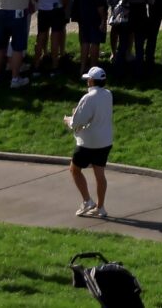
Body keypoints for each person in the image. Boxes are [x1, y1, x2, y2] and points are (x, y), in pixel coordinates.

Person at [66, 64, 114, 218]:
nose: (87, 82)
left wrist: (68, 119)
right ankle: (100, 207)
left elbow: (76, 122)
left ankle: (87, 201)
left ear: (92, 81)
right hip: (105, 141)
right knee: (100, 174)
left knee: (74, 169)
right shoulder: (108, 94)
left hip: (88, 143)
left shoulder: (88, 98)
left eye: (88, 80)